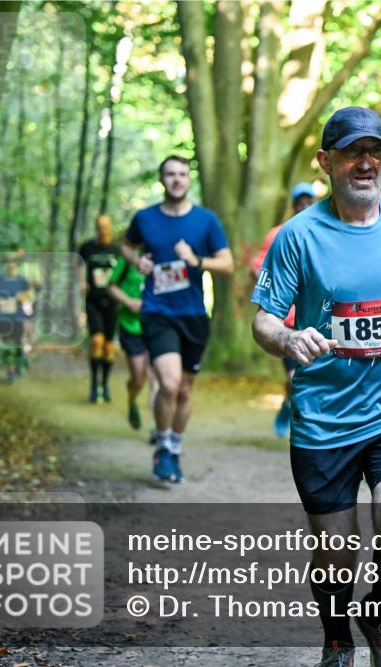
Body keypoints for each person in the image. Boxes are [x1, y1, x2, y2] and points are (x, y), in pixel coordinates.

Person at [251, 107, 381, 667]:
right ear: (326, 162)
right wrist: (288, 337)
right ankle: (337, 637)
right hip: (324, 417)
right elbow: (263, 321)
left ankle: (380, 615)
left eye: (376, 152)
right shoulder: (298, 236)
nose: (366, 163)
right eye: (352, 152)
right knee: (335, 553)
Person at [121, 155, 234, 483]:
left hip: (193, 315)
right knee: (168, 384)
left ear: (188, 179)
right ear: (162, 180)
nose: (176, 179)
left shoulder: (206, 221)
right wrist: (137, 261)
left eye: (182, 174)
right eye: (170, 174)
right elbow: (126, 246)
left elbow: (227, 264)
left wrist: (196, 260)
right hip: (157, 311)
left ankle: (175, 448)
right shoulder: (145, 218)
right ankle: (163, 447)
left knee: (184, 390)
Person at [249, 181, 317, 438]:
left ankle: (298, 411)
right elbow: (257, 266)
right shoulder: (279, 233)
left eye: (309, 201)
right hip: (288, 320)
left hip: (318, 319)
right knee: (294, 375)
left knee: (311, 376)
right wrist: (278, 284)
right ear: (293, 205)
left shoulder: (326, 232)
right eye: (300, 201)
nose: (304, 205)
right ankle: (289, 408)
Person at [107, 253, 158, 434]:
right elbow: (111, 287)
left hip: (157, 325)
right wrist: (129, 302)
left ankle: (158, 428)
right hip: (130, 326)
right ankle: (132, 399)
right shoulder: (129, 259)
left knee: (156, 378)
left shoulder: (163, 254)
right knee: (138, 377)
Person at [78, 215, 121, 403]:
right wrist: (82, 282)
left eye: (106, 226)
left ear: (111, 227)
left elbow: (125, 272)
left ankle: (105, 384)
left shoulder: (117, 250)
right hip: (93, 301)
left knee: (109, 347)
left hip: (112, 302)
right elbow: (77, 267)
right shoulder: (87, 248)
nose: (103, 230)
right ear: (96, 227)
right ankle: (94, 385)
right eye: (100, 226)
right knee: (97, 341)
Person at [0, 258, 31, 383]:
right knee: (7, 341)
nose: (11, 265)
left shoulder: (22, 280)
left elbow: (27, 296)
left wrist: (19, 298)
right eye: (9, 262)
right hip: (2, 316)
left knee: (17, 342)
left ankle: (17, 364)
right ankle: (10, 371)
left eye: (13, 262)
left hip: (17, 317)